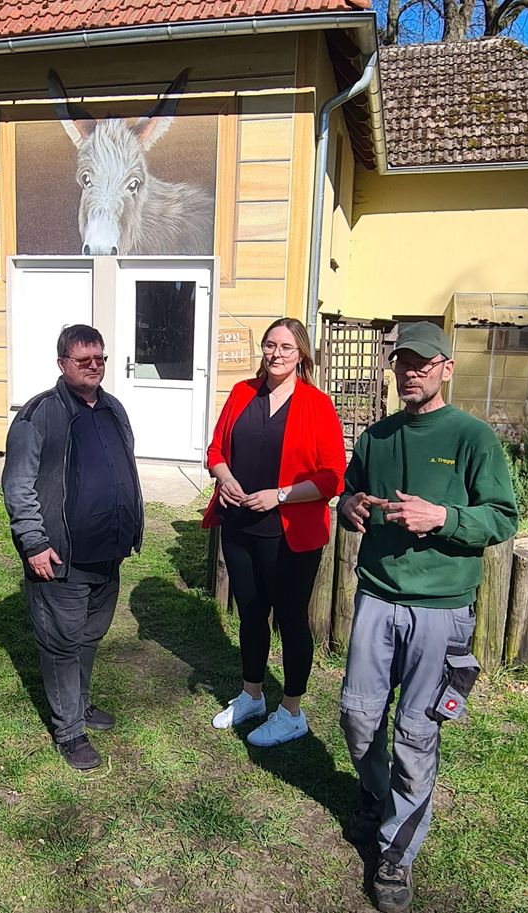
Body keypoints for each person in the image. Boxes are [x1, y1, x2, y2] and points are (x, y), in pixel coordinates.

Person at [337, 321, 518, 913]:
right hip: (376, 598)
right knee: (358, 718)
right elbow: (350, 493)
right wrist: (351, 507)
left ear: (445, 367)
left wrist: (443, 516)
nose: (410, 370)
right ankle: (374, 793)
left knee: (415, 734)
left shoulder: (474, 438)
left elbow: (502, 519)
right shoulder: (376, 437)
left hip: (441, 611)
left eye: (423, 362)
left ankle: (396, 854)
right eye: (402, 362)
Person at [2, 324, 144, 771]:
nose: (94, 367)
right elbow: (18, 486)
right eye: (83, 360)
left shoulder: (113, 409)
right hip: (60, 558)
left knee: (89, 636)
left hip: (108, 554)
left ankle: (79, 706)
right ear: (62, 363)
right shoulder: (38, 414)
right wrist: (35, 544)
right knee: (62, 643)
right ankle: (68, 732)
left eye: (100, 358)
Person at [202, 317, 347, 746]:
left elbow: (332, 477)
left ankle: (292, 710)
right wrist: (224, 477)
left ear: (301, 353)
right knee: (249, 613)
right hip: (240, 524)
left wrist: (279, 495)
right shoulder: (242, 393)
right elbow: (215, 449)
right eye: (270, 345)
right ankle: (252, 695)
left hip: (289, 532)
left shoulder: (317, 404)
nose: (276, 354)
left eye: (286, 347)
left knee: (290, 619)